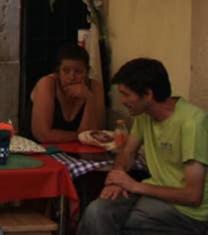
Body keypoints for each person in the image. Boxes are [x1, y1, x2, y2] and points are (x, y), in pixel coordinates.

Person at [79, 58, 208, 234]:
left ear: (147, 94)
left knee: (122, 223)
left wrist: (134, 186)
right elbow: (127, 152)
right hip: (152, 194)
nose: (122, 101)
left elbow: (193, 196)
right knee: (97, 212)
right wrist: (117, 178)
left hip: (187, 212)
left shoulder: (192, 123)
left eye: (126, 94)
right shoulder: (144, 115)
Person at [30, 43, 105, 144]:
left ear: (87, 72)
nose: (72, 77)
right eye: (66, 71)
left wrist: (89, 98)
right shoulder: (47, 84)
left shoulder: (95, 87)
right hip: (38, 150)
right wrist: (79, 136)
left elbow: (93, 135)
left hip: (77, 152)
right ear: (58, 71)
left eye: (78, 72)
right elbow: (42, 135)